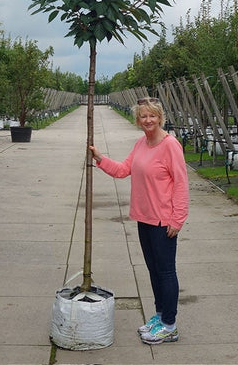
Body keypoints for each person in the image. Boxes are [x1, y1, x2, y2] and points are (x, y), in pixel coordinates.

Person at [89, 97, 189, 345]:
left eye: (152, 116)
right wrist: (100, 158)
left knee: (166, 272)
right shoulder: (141, 144)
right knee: (154, 271)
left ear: (160, 117)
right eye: (143, 116)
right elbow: (123, 170)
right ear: (138, 119)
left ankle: (170, 325)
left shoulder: (170, 145)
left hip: (163, 221)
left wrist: (178, 219)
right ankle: (159, 316)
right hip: (144, 218)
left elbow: (181, 184)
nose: (147, 120)